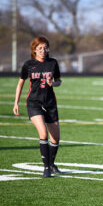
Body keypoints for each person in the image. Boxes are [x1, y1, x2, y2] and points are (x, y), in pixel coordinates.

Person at [13, 36, 62, 178]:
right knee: (43, 134)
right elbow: (21, 82)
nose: (43, 50)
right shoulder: (28, 64)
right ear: (34, 50)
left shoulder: (53, 63)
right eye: (40, 48)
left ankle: (52, 164)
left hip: (50, 103)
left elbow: (59, 81)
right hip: (34, 103)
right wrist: (16, 102)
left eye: (45, 47)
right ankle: (46, 168)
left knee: (56, 138)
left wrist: (53, 84)